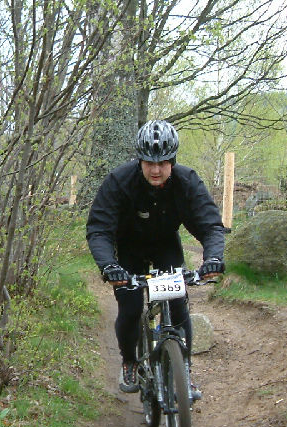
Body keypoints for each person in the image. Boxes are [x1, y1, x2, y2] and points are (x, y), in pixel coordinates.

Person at [86, 120, 227, 395]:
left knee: (177, 305)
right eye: (149, 162)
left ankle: (183, 369)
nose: (155, 169)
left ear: (172, 160)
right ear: (139, 160)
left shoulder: (187, 181)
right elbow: (99, 229)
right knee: (129, 308)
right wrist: (109, 265)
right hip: (128, 249)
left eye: (163, 162)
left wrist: (212, 259)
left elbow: (210, 225)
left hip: (166, 245)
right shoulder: (119, 181)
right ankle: (129, 361)